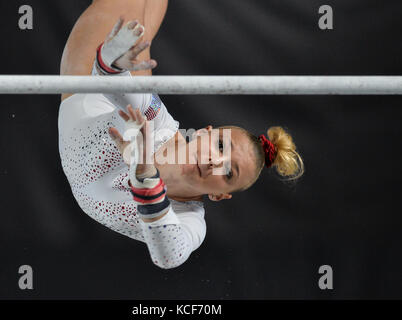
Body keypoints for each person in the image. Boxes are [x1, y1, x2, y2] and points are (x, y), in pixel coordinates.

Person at [58, 0, 304, 269]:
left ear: (220, 196)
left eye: (229, 173)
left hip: (95, 123)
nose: (215, 162)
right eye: (220, 145)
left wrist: (145, 177)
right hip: (86, 87)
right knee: (131, 42)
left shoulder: (190, 221)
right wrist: (111, 63)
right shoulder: (154, 120)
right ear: (203, 132)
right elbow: (112, 84)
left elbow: (168, 256)